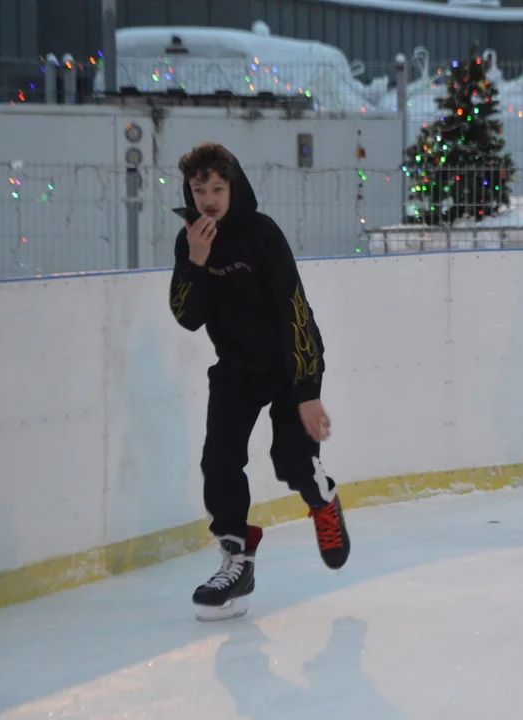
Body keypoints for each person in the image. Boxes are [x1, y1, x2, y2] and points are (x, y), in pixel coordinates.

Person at [168, 142, 351, 621]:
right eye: (198, 188)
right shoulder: (191, 241)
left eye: (217, 188)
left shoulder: (261, 234)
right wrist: (196, 260)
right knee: (220, 460)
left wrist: (307, 393)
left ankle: (321, 498)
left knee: (290, 460)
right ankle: (237, 561)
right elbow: (187, 317)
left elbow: (295, 311)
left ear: (234, 187)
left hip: (290, 364)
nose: (207, 198)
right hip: (236, 369)